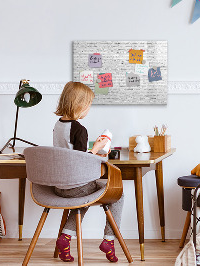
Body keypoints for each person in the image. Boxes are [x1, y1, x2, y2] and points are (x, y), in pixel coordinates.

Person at [53, 81, 123, 263]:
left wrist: (92, 149)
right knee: (118, 194)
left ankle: (65, 238)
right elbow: (80, 161)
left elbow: (70, 154)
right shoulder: (79, 129)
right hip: (76, 186)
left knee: (83, 198)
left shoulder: (58, 125)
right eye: (89, 104)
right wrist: (97, 149)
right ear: (80, 105)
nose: (89, 109)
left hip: (59, 186)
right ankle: (109, 240)